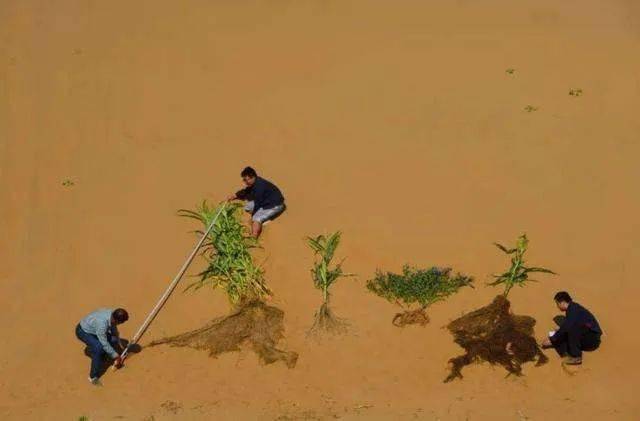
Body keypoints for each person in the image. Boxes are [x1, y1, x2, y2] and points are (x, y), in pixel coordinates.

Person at [541, 291, 602, 365]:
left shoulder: (573, 310)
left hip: (592, 340)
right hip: (589, 336)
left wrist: (552, 340)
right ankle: (565, 347)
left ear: (562, 302)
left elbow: (568, 327)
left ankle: (576, 357)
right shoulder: (573, 308)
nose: (557, 306)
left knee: (569, 329)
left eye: (557, 304)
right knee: (564, 331)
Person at [226, 166, 286, 238]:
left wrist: (253, 217)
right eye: (244, 180)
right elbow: (247, 191)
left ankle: (253, 237)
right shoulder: (255, 182)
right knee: (248, 206)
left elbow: (258, 203)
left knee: (256, 219)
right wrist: (235, 195)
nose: (245, 182)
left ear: (252, 177)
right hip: (266, 201)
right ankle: (262, 217)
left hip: (275, 205)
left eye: (246, 180)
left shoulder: (259, 187)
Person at [75, 308, 129, 385]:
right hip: (83, 332)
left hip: (94, 329)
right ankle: (93, 377)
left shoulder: (112, 315)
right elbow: (104, 343)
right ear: (116, 320)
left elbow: (114, 328)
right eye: (120, 323)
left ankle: (103, 355)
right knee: (99, 348)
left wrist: (119, 343)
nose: (119, 324)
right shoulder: (102, 324)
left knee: (113, 339)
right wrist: (116, 356)